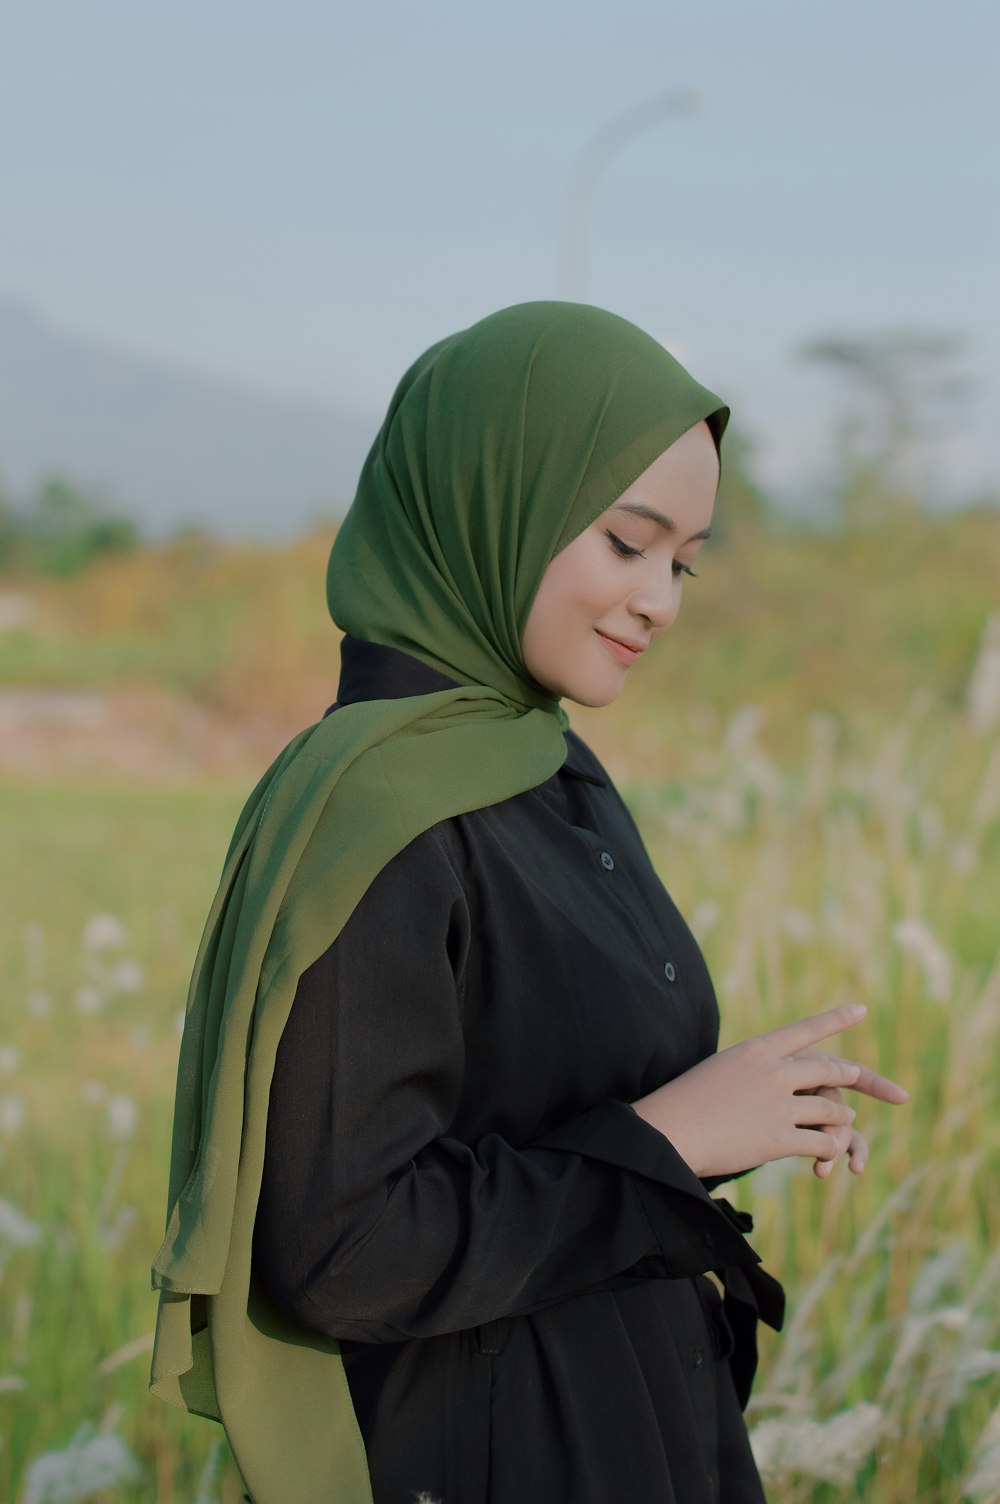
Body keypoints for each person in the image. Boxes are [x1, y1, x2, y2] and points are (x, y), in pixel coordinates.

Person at [150, 301, 909, 1504]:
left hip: (635, 1413)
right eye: (626, 540)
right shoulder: (384, 808)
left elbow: (562, 1110)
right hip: (500, 1451)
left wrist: (738, 1112)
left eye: (684, 561)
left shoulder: (535, 760)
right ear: (487, 501)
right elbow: (341, 1249)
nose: (660, 598)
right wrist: (667, 1147)